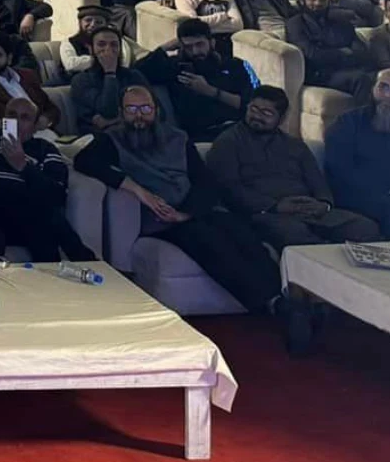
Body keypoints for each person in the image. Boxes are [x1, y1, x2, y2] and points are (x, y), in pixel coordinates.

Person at [74, 83, 285, 317]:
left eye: (145, 108)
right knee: (212, 243)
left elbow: (205, 181)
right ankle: (270, 305)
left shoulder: (178, 138)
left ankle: (283, 298)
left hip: (192, 210)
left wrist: (185, 213)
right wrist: (137, 189)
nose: (139, 116)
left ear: (156, 110)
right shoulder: (112, 140)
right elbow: (84, 161)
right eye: (131, 109)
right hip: (161, 219)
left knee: (244, 235)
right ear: (121, 113)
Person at [208, 87, 380, 250]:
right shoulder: (228, 142)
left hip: (309, 210)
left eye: (266, 113)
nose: (257, 116)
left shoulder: (295, 145)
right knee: (295, 235)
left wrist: (324, 204)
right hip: (266, 213)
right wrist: (275, 206)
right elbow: (229, 188)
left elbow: (318, 181)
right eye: (253, 109)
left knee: (365, 228)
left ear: (281, 119)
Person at [0, 97, 92, 262]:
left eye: (25, 118)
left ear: (35, 126)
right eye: (12, 115)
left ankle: (80, 264)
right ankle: (85, 260)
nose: (17, 122)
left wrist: (23, 166)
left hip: (23, 215)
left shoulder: (44, 149)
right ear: (3, 119)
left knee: (45, 215)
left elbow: (57, 195)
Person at [135, 18, 253, 142]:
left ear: (212, 43)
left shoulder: (234, 65)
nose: (195, 51)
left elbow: (248, 105)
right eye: (188, 47)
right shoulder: (176, 68)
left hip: (240, 128)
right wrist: (164, 48)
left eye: (200, 44)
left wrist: (210, 91)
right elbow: (136, 72)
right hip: (203, 136)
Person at [325, 68, 390, 236]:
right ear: (372, 89)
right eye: (383, 87)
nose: (387, 96)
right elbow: (339, 173)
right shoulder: (347, 123)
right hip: (353, 195)